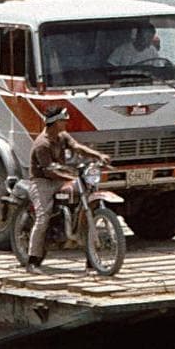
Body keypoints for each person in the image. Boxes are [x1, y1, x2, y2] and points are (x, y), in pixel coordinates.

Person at [25, 106, 109, 271]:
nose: (66, 123)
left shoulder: (62, 136)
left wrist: (97, 155)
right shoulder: (42, 144)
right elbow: (50, 171)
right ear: (55, 122)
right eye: (63, 120)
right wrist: (72, 178)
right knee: (43, 218)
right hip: (43, 182)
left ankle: (91, 260)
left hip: (62, 177)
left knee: (85, 204)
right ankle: (32, 260)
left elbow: (77, 147)